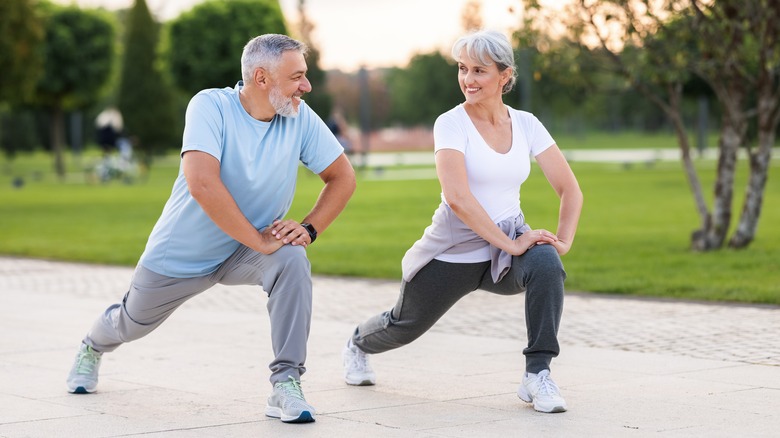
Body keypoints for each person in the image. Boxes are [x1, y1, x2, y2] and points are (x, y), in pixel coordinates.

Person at [66, 34, 356, 424]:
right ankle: (91, 346)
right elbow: (203, 183)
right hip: (184, 253)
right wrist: (257, 239)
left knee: (291, 260)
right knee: (130, 323)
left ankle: (286, 383)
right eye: (297, 77)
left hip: (247, 253)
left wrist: (308, 228)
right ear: (261, 78)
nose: (306, 86)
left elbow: (342, 177)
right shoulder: (210, 106)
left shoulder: (298, 116)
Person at [341, 30, 582, 414]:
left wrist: (562, 242)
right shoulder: (450, 124)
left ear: (504, 76)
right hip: (453, 252)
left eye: (479, 71)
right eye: (462, 68)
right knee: (404, 325)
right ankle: (357, 344)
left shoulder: (527, 124)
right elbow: (458, 197)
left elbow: (570, 189)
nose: (468, 79)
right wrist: (514, 244)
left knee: (547, 263)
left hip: (505, 250)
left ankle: (537, 374)